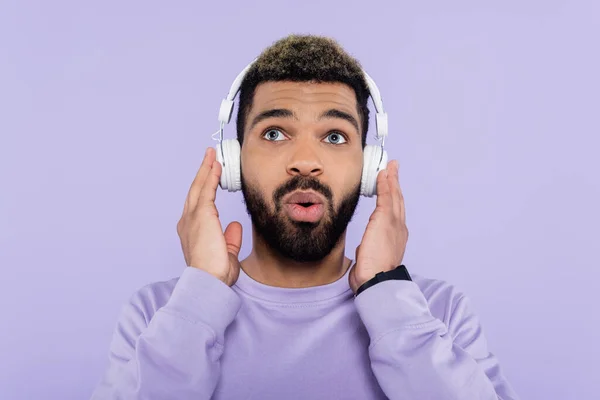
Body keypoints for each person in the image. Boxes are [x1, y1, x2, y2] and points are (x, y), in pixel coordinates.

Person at [91, 34, 518, 400]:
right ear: (234, 160)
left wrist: (387, 294)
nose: (306, 162)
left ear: (369, 167)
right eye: (275, 133)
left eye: (335, 136)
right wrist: (200, 295)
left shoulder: (436, 312)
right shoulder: (160, 312)